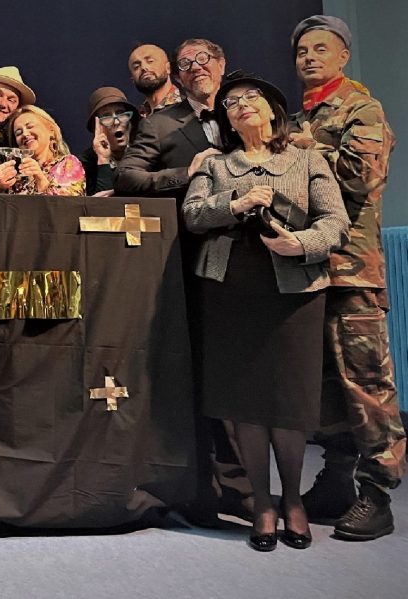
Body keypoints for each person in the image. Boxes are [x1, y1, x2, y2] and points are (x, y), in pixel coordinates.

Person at [182, 72, 348, 551]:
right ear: (228, 122)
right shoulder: (216, 163)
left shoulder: (307, 158)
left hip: (295, 292)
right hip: (231, 292)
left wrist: (302, 243)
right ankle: (263, 504)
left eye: (251, 97)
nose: (241, 105)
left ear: (274, 109)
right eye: (231, 102)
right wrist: (236, 203)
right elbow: (193, 215)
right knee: (246, 403)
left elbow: (336, 222)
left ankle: (293, 499)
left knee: (289, 403)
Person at [115, 38, 255, 526]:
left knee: (245, 376)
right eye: (186, 63)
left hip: (255, 262)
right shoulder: (160, 122)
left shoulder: (246, 110)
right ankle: (210, 491)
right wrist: (185, 173)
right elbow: (128, 177)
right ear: (178, 75)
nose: (196, 68)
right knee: (201, 376)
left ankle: (248, 488)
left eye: (204, 60)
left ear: (221, 64)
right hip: (192, 263)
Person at [289, 15, 405, 541]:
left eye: (321, 49)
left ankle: (377, 493)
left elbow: (362, 177)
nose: (309, 58)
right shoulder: (299, 117)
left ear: (342, 57)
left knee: (367, 383)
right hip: (307, 269)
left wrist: (305, 151)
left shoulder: (362, 108)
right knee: (325, 386)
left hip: (352, 270)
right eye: (302, 51)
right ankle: (336, 480)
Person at [6, 105, 85, 196]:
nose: (25, 134)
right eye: (18, 133)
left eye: (30, 126)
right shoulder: (18, 180)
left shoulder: (68, 164)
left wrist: (40, 179)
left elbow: (69, 203)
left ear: (51, 130)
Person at [80, 87, 140, 196]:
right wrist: (103, 160)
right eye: (107, 116)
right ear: (96, 127)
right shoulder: (85, 165)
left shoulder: (143, 153)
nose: (116, 122)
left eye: (121, 113)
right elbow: (101, 203)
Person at [128, 43, 184, 117]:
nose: (143, 67)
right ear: (133, 79)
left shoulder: (190, 107)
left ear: (168, 68)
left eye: (150, 61)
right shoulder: (137, 119)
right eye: (136, 66)